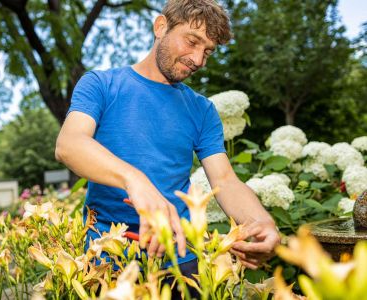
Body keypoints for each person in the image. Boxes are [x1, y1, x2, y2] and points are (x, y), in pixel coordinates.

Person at [55, 0, 280, 290]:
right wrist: (135, 180)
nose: (198, 60)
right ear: (161, 27)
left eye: (207, 51)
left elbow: (225, 180)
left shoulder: (202, 109)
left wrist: (263, 224)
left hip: (181, 261)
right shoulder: (101, 84)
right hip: (106, 260)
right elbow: (70, 144)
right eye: (192, 41)